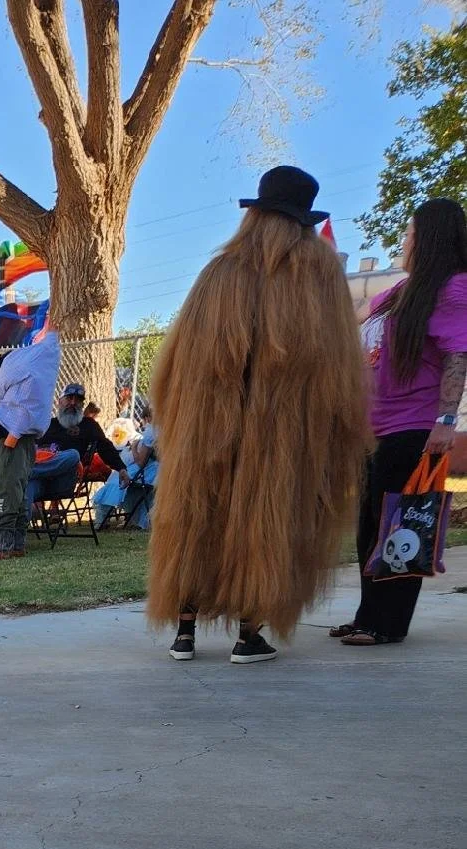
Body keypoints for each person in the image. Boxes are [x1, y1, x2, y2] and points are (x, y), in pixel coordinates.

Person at [148, 166, 368, 664]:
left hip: (207, 422)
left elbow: (175, 367)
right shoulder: (319, 272)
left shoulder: (218, 273)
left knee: (195, 514)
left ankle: (184, 633)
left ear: (255, 214)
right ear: (304, 221)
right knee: (267, 519)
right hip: (284, 429)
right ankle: (249, 636)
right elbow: (339, 370)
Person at [332, 197, 467, 648]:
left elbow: (456, 355)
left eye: (410, 232)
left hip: (415, 424)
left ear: (428, 238)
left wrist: (446, 420)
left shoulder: (452, 288)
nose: (404, 239)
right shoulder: (398, 293)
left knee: (400, 524)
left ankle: (386, 623)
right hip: (376, 426)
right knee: (372, 523)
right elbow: (356, 324)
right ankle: (367, 615)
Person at [0, 322, 61, 558]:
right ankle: (17, 543)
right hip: (26, 443)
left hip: (11, 442)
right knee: (18, 491)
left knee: (5, 490)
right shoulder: (35, 389)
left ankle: (5, 546)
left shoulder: (14, 403)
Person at [90, 402, 158, 530]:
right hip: (157, 470)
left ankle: (103, 517)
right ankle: (131, 519)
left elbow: (140, 462)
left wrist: (133, 447)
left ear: (148, 418)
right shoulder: (164, 431)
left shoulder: (151, 432)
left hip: (147, 471)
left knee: (117, 479)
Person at [45, 382, 126, 484]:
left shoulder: (89, 426)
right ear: (59, 401)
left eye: (78, 400)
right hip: (41, 474)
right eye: (69, 398)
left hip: (66, 477)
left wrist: (121, 468)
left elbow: (105, 447)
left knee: (72, 455)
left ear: (82, 405)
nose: (73, 403)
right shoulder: (48, 424)